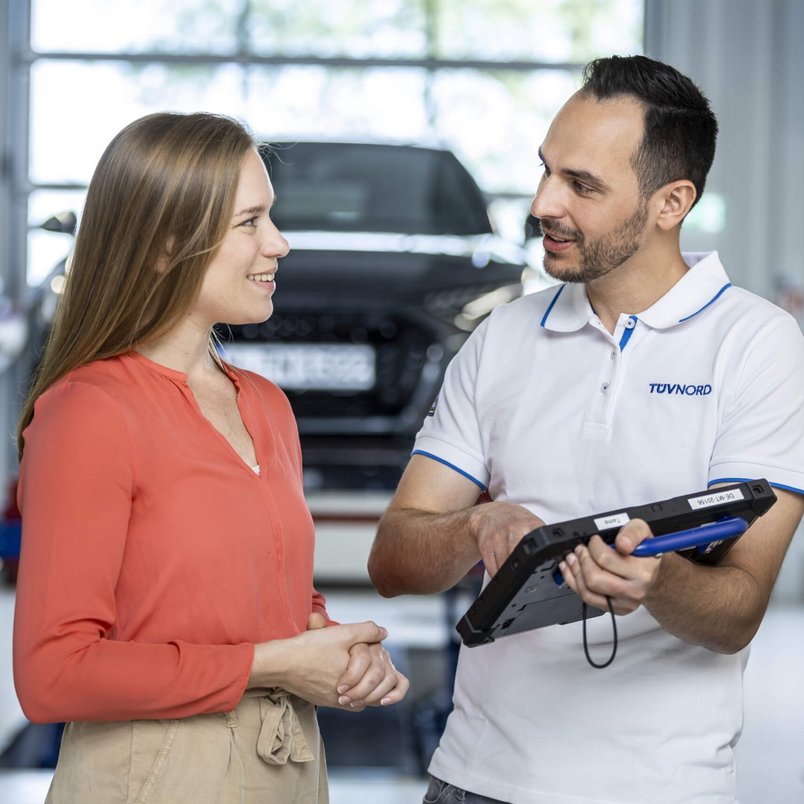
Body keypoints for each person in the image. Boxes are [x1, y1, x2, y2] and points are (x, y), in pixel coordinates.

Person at [368, 54, 804, 804]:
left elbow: (738, 611)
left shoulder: (757, 345)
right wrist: (479, 527)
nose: (543, 202)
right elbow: (393, 562)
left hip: (660, 788)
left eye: (582, 184)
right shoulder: (501, 337)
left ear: (671, 202)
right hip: (474, 778)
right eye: (546, 170)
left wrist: (659, 579)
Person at [13, 111, 408, 804]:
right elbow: (53, 674)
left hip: (286, 762)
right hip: (158, 776)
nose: (279, 243)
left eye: (271, 219)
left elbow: (267, 596)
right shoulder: (92, 411)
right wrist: (278, 662)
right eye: (249, 223)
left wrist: (337, 647)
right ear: (166, 246)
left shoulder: (263, 404)